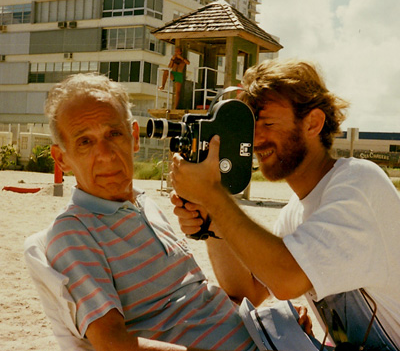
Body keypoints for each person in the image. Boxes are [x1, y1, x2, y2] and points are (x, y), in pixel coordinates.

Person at [38, 72, 313, 351]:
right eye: (85, 141)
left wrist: (269, 325)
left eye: (114, 134)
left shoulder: (144, 204)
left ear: (133, 137)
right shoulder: (73, 232)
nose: (106, 153)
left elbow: (234, 296)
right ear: (62, 159)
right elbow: (112, 344)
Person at [170, 58, 400, 350]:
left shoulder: (357, 182)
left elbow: (286, 278)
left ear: (313, 123)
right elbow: (247, 292)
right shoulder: (295, 213)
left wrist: (214, 196)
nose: (256, 139)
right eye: (252, 127)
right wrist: (214, 226)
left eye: (268, 124)